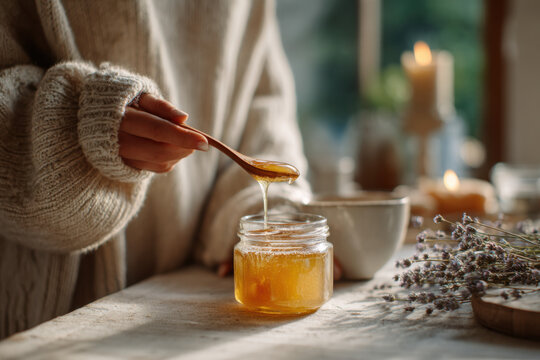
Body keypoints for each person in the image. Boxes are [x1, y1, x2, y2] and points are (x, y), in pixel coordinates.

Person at [0, 0, 311, 339]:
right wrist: (72, 128)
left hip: (187, 306)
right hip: (46, 318)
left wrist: (272, 216)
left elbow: (261, 104)